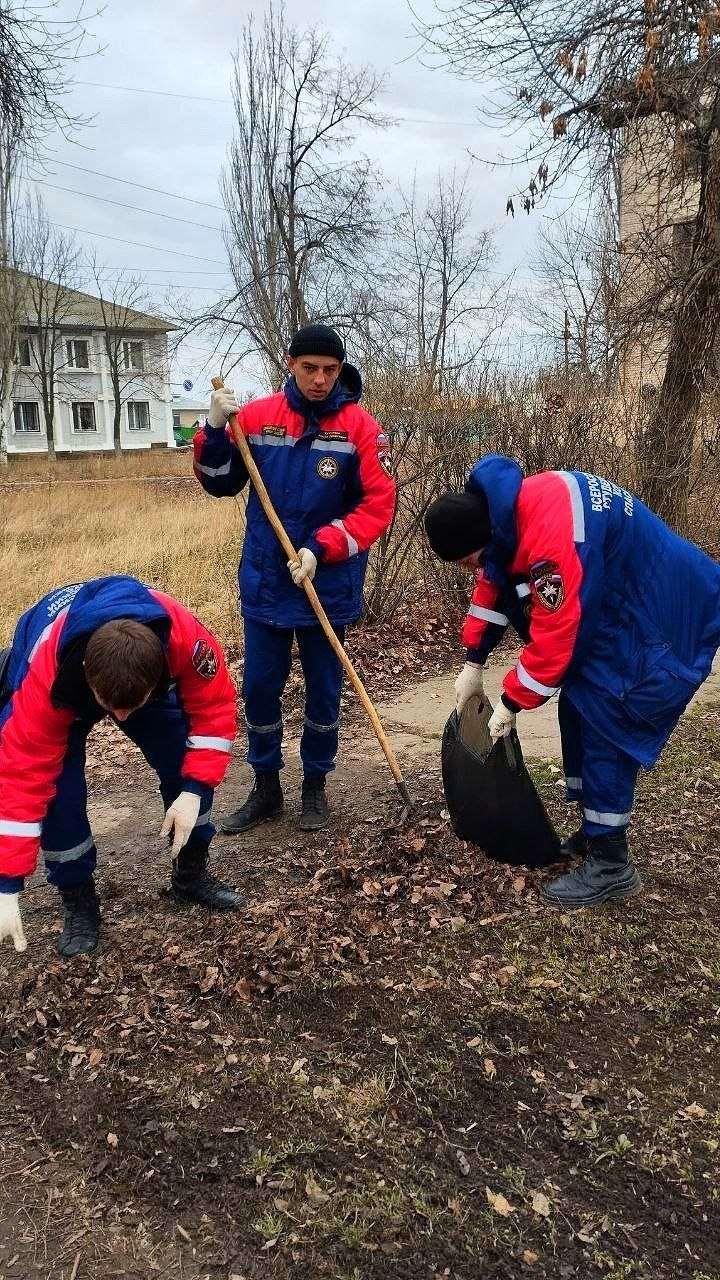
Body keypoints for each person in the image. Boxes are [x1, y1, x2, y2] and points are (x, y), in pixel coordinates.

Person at [424, 455, 720, 908]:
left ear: (484, 537)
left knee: (606, 716)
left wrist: (512, 700)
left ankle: (611, 863)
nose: (471, 570)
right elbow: (493, 582)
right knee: (577, 706)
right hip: (620, 602)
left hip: (662, 609)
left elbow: (561, 632)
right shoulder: (502, 516)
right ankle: (593, 831)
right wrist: (474, 660)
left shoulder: (552, 537)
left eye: (468, 559)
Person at [193, 323, 396, 833]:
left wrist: (320, 547)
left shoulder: (361, 429)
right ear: (290, 364)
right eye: (310, 368)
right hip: (267, 580)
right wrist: (214, 431)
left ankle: (315, 787)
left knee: (324, 690)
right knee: (260, 688)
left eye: (329, 370)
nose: (320, 379)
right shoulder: (258, 418)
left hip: (326, 584)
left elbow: (378, 507)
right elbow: (219, 484)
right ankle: (266, 786)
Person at [0, 575, 244, 957]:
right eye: (112, 707)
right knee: (59, 804)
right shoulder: (43, 683)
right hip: (60, 685)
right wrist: (6, 883)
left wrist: (195, 789)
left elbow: (214, 712)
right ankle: (79, 902)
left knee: (184, 763)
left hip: (134, 675)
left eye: (132, 706)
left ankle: (191, 873)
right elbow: (20, 779)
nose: (121, 716)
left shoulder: (185, 639)